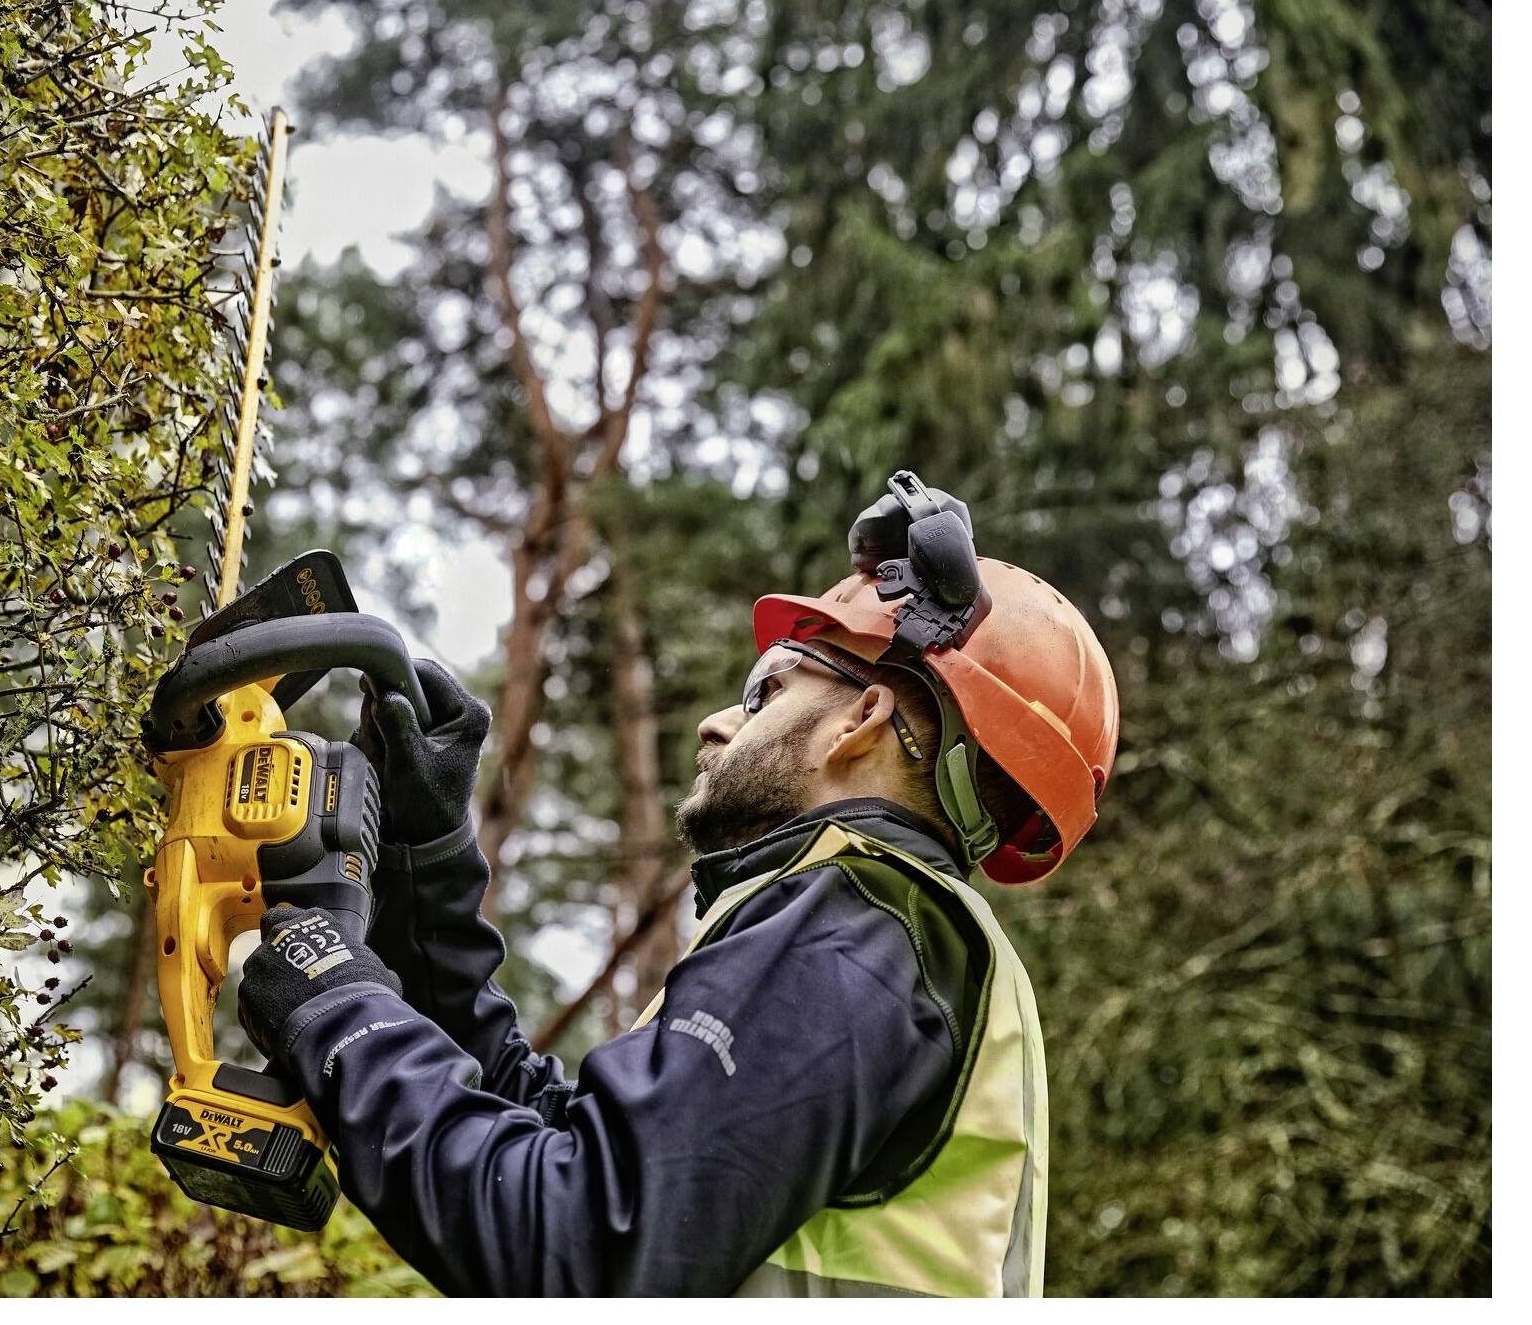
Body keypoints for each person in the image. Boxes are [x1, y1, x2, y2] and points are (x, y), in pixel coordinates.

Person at [236, 478, 1119, 1297]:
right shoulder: (897, 945)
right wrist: (424, 864)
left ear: (862, 719)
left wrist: (337, 1010)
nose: (716, 721)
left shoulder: (855, 932)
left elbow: (581, 1253)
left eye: (765, 686)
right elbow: (555, 1149)